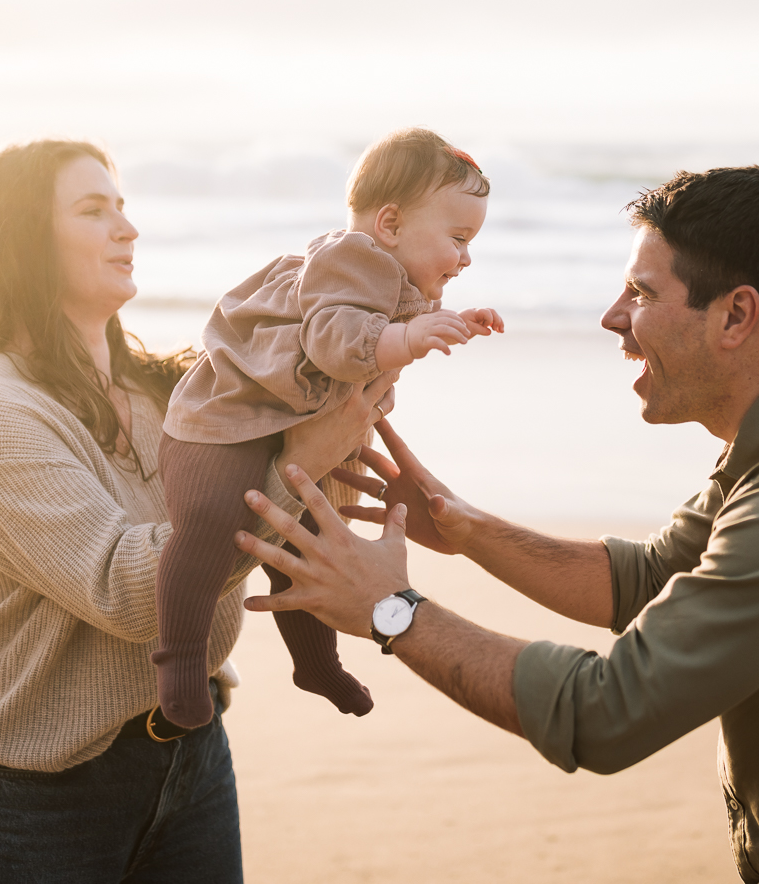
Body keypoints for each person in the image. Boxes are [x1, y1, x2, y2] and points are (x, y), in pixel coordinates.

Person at [236, 165, 759, 883]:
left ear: (736, 316)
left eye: (641, 293)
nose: (611, 318)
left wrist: (390, 612)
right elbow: (649, 579)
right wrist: (461, 524)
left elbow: (606, 712)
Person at [0, 139, 394, 884]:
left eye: (123, 208)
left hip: (193, 755)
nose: (127, 230)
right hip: (44, 796)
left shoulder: (175, 394)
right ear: (22, 241)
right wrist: (300, 462)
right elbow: (131, 593)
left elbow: (302, 465)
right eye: (93, 212)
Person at [154, 127, 503, 731]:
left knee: (313, 545)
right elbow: (336, 343)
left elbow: (396, 317)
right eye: (458, 238)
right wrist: (408, 339)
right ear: (389, 225)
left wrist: (447, 319)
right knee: (209, 527)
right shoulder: (350, 260)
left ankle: (315, 663)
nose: (466, 257)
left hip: (278, 426)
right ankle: (181, 659)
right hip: (222, 426)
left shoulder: (389, 276)